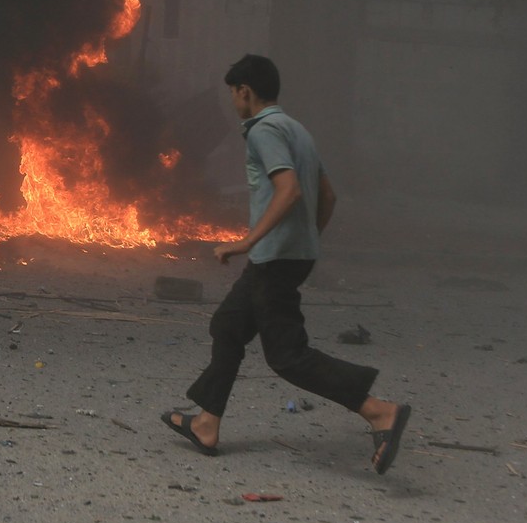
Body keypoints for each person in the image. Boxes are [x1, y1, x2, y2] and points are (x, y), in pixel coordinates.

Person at [162, 54, 411, 474]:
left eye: (233, 94)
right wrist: (307, 239)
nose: (232, 103)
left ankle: (379, 411)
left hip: (274, 257)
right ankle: (206, 422)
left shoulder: (264, 131)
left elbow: (289, 189)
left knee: (288, 356)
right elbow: (327, 196)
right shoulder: (298, 130)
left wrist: (246, 240)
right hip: (285, 255)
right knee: (227, 325)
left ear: (245, 91)